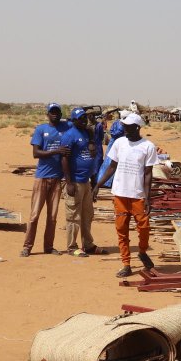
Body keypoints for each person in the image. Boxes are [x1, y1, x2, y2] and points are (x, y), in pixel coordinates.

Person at [94, 113, 157, 277]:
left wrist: (148, 197)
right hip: (120, 194)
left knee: (144, 227)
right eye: (124, 126)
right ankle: (126, 263)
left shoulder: (148, 146)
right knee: (122, 230)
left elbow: (148, 174)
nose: (125, 129)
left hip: (138, 195)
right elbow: (111, 167)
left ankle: (142, 252)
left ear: (137, 127)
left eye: (128, 127)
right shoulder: (119, 143)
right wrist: (98, 185)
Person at [21, 104, 69, 257]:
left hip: (57, 179)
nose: (54, 115)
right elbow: (36, 153)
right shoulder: (41, 129)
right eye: (52, 112)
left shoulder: (65, 127)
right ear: (47, 114)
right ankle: (27, 246)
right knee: (35, 215)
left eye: (57, 112)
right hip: (42, 177)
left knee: (53, 216)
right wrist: (56, 151)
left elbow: (78, 122)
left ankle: (49, 246)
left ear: (60, 114)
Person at [61, 108, 98, 256]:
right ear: (74, 120)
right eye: (80, 118)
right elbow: (64, 159)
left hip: (86, 181)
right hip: (74, 182)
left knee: (87, 215)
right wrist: (68, 182)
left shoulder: (86, 132)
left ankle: (88, 244)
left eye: (85, 117)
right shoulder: (69, 136)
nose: (84, 120)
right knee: (73, 216)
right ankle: (71, 246)